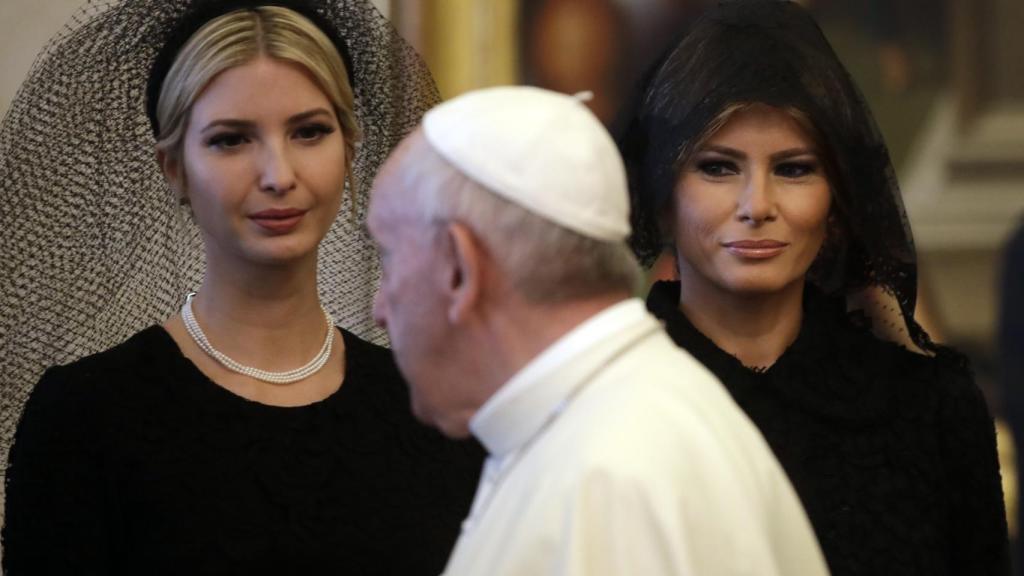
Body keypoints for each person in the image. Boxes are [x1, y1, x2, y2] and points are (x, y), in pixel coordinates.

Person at [1, 1, 482, 573]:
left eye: (309, 132)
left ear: (349, 148)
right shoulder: (86, 418)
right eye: (231, 140)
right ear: (172, 167)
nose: (278, 175)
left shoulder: (430, 409)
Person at [367, 85, 830, 576]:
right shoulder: (610, 421)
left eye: (389, 258)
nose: (379, 308)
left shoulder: (614, 468)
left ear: (459, 268)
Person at [617, 1, 1009, 574]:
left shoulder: (930, 409)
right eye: (718, 167)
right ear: (662, 199)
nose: (757, 206)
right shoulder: (614, 402)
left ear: (837, 203)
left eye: (794, 168)